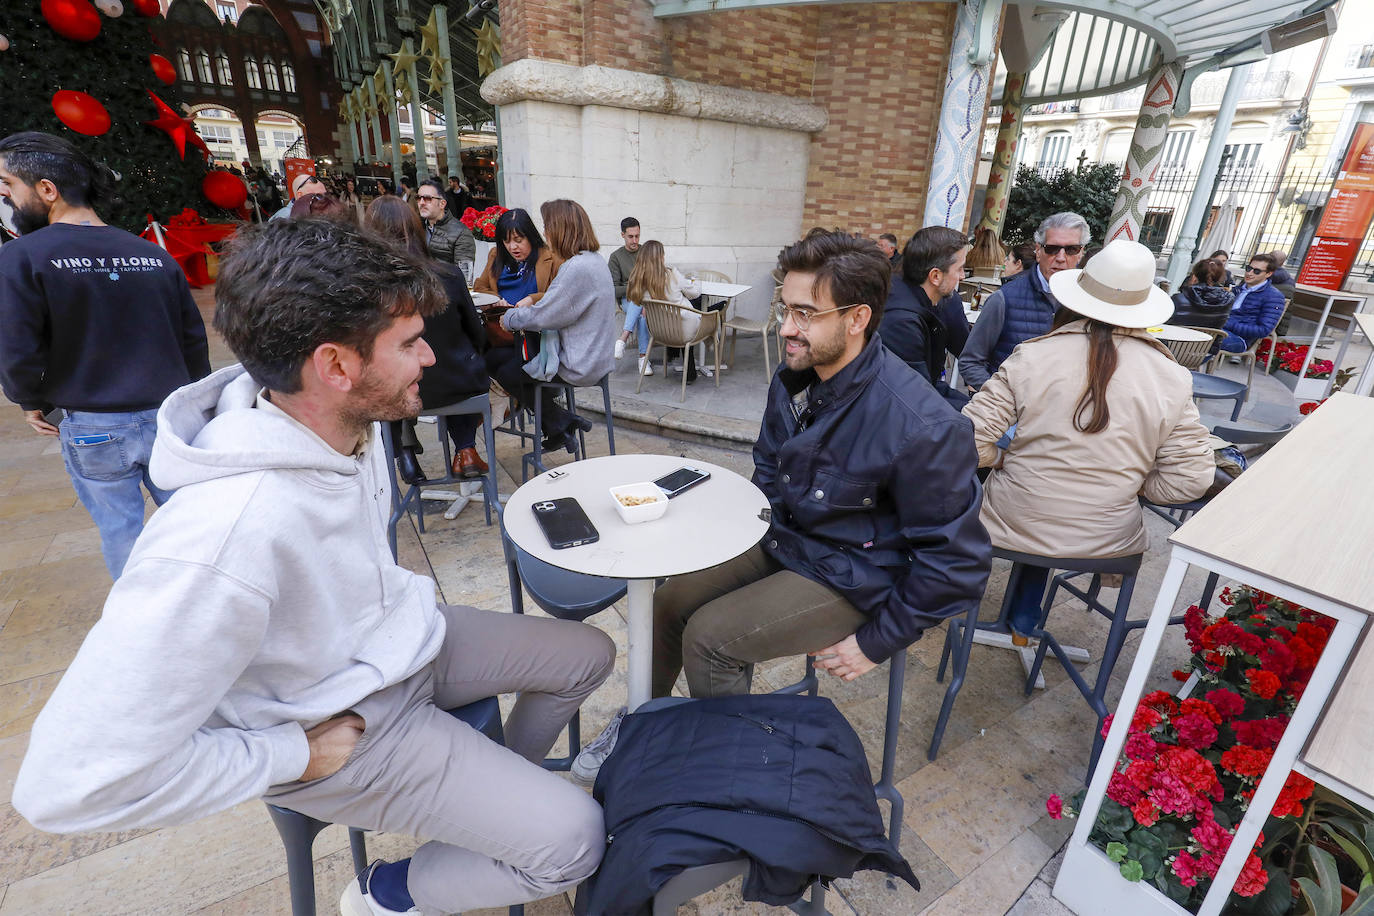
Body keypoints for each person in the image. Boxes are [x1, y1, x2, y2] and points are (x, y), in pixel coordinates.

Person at [11, 218, 616, 916]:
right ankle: (383, 894)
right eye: (409, 343)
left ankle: (496, 797)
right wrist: (288, 758)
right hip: (341, 723)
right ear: (335, 366)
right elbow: (64, 784)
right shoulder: (226, 533)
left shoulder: (345, 428)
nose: (429, 358)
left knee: (588, 653)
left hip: (398, 644)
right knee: (576, 840)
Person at [649, 230, 990, 702]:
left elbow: (958, 565)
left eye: (805, 314)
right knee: (666, 602)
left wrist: (877, 642)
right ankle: (641, 728)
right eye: (786, 308)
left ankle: (724, 767)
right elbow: (768, 465)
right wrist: (734, 534)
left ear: (858, 319)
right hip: (786, 537)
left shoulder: (922, 425)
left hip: (858, 572)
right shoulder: (794, 379)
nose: (786, 328)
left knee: (711, 638)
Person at [962, 239, 1214, 642]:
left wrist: (1004, 460)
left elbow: (968, 442)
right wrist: (1131, 483)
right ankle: (1026, 624)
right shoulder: (1172, 376)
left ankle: (1006, 625)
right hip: (1106, 538)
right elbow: (1191, 480)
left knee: (1026, 506)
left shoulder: (1033, 356)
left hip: (1013, 521)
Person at [0, 131, 211, 579]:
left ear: (46, 189)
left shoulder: (21, 258)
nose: (6, 198)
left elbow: (15, 344)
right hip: (169, 417)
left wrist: (29, 399)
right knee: (197, 526)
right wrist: (195, 404)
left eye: (8, 186)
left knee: (121, 532)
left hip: (93, 424)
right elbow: (192, 338)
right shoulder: (151, 254)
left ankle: (142, 629)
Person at [365, 195, 490, 482]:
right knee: (461, 358)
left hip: (402, 392)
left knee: (388, 374)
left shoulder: (368, 286)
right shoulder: (449, 274)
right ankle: (466, 448)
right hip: (458, 383)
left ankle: (403, 453)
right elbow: (477, 335)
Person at [494, 199, 616, 454]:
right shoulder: (594, 260)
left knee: (505, 369)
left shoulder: (577, 268)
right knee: (513, 363)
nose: (546, 233)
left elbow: (544, 315)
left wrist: (509, 320)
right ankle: (558, 425)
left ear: (561, 230)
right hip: (596, 358)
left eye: (548, 227)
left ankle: (559, 423)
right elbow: (551, 309)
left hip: (579, 363)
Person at [957, 211, 1089, 391]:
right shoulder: (1004, 299)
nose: (1060, 257)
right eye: (1052, 248)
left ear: (1081, 253)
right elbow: (970, 361)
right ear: (1038, 251)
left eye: (1071, 249)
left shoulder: (1089, 304)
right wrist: (1003, 399)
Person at [880, 226, 970, 407]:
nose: (962, 276)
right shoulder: (902, 322)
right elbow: (916, 400)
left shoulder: (914, 298)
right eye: (959, 269)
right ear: (935, 276)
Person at [622, 240, 703, 379]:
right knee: (707, 311)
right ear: (661, 257)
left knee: (687, 310)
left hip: (660, 332)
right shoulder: (672, 274)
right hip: (686, 329)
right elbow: (694, 293)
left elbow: (634, 302)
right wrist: (698, 284)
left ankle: (674, 355)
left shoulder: (640, 282)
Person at [1218, 253, 1286, 353]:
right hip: (1220, 330)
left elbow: (1263, 330)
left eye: (1257, 271)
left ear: (1268, 274)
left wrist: (1229, 324)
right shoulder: (1238, 289)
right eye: (1248, 268)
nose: (1249, 273)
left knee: (1205, 337)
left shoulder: (1274, 296)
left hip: (1240, 340)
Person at [417, 178, 477, 284]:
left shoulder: (461, 233)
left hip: (445, 293)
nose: (421, 203)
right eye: (419, 198)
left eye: (427, 199)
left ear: (442, 204)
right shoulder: (416, 227)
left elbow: (464, 277)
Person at [1168, 258, 1234, 329]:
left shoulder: (1178, 299)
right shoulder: (1227, 300)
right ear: (1220, 277)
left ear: (1195, 276)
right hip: (1208, 339)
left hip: (1176, 338)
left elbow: (1164, 323)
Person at [608, 217, 642, 335]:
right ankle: (644, 353)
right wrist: (635, 288)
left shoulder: (645, 251)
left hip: (648, 298)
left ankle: (625, 340)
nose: (634, 241)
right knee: (641, 314)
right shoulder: (616, 257)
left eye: (637, 236)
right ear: (623, 235)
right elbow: (613, 289)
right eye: (630, 237)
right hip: (628, 298)